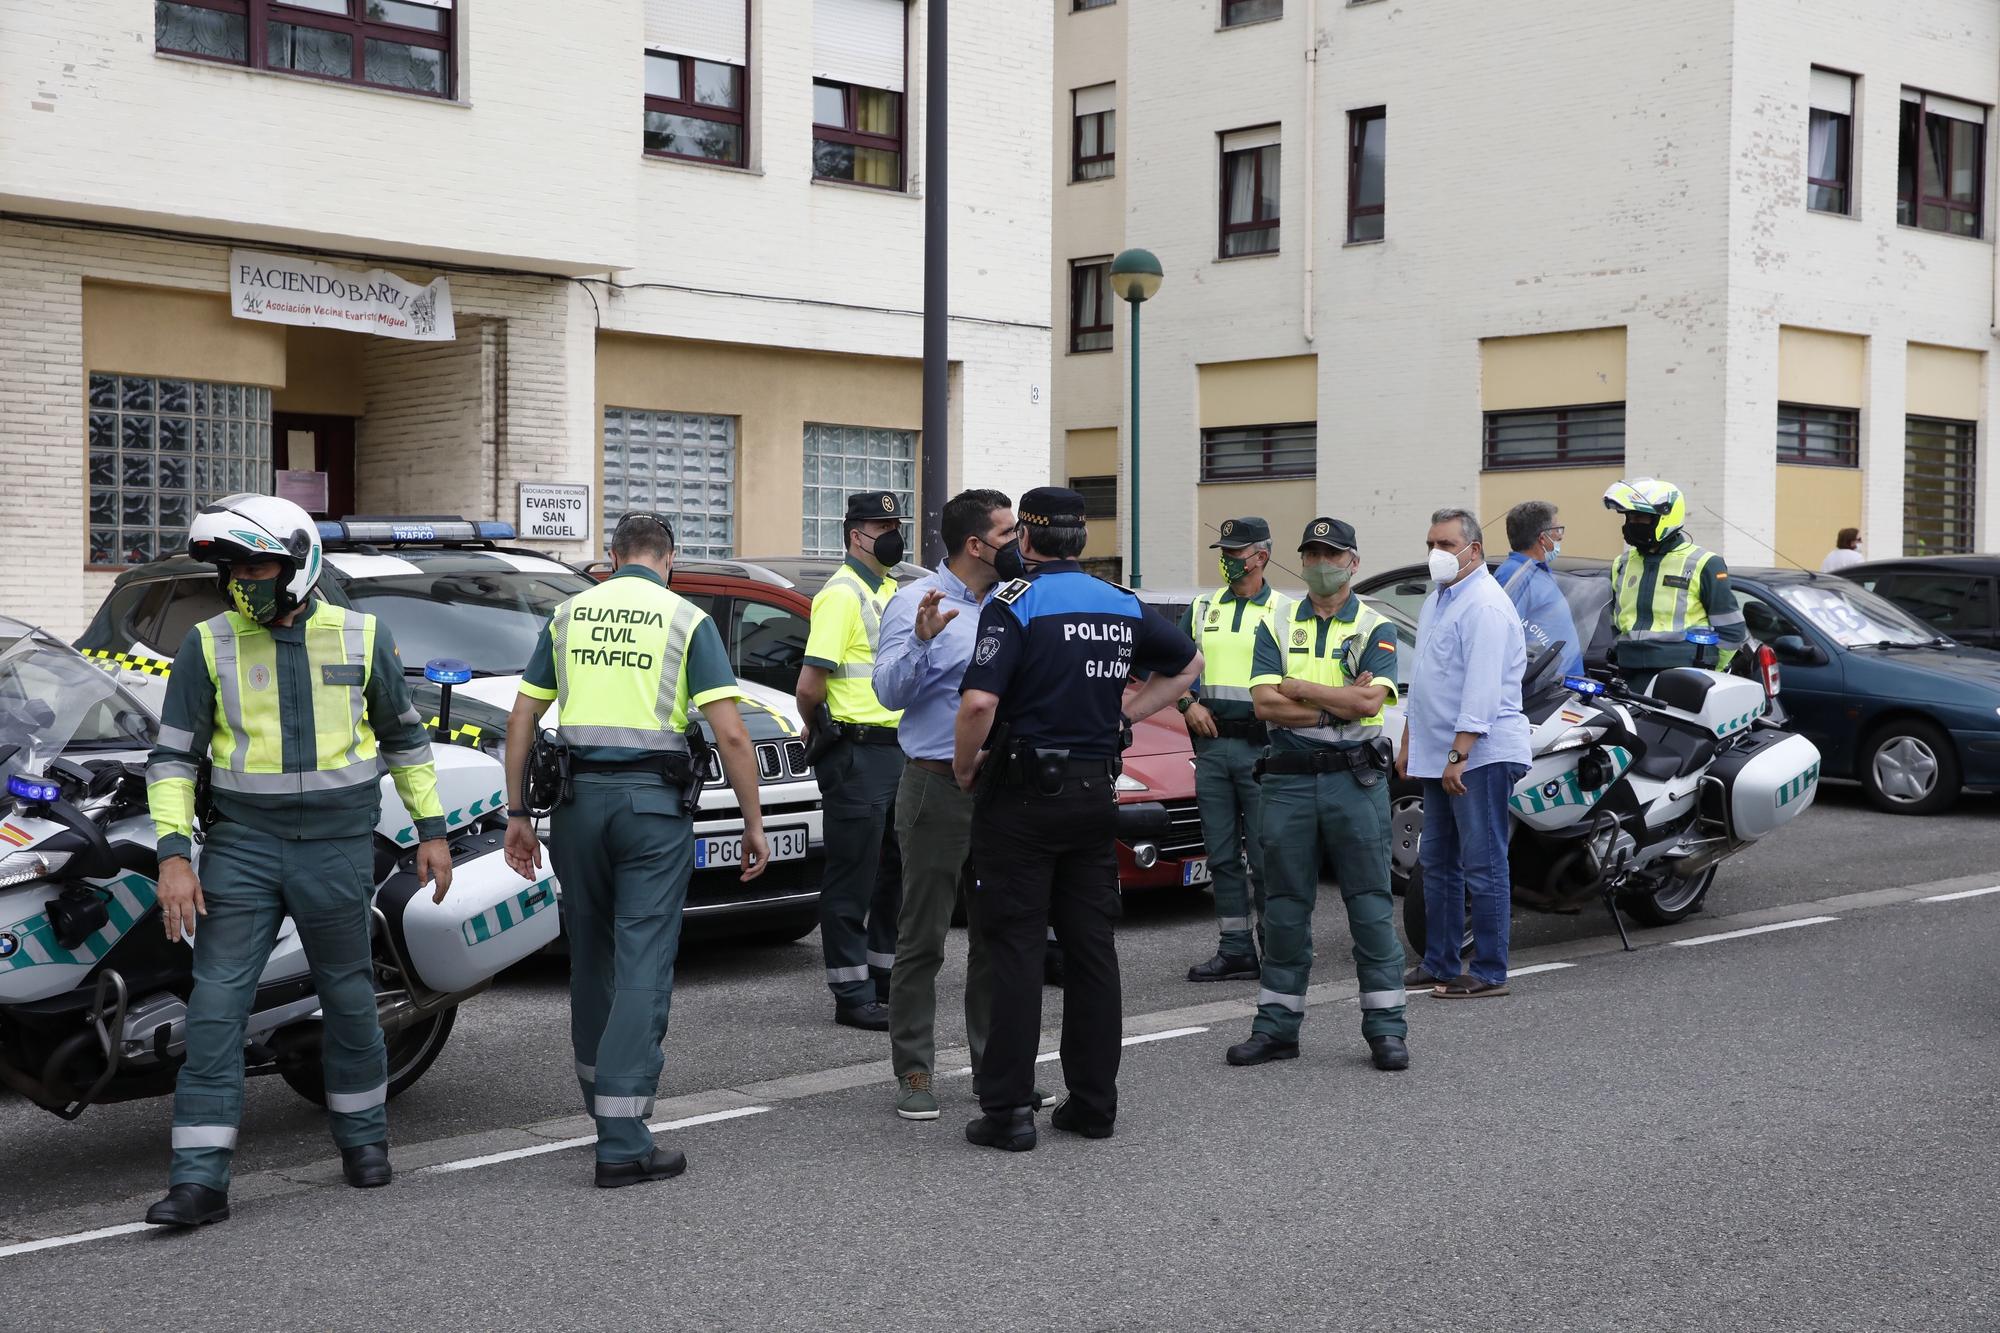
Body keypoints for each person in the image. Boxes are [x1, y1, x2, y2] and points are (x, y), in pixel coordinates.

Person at [143, 494, 454, 1228]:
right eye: (232, 569)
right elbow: (172, 758)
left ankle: (364, 1141)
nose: (241, 580)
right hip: (242, 848)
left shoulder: (360, 634)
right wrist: (173, 855)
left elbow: (405, 740)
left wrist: (431, 828)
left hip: (338, 848)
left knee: (349, 999)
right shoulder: (208, 643)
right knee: (216, 1009)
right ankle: (199, 1182)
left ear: (298, 562)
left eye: (255, 565)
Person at [503, 512, 768, 1188]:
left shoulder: (570, 616)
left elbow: (523, 717)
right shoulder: (685, 619)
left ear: (612, 556)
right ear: (668, 558)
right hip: (650, 810)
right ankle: (622, 1139)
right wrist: (752, 820)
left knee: (592, 951)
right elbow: (733, 736)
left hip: (575, 806)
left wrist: (517, 814)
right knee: (643, 954)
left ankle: (600, 1101)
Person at [953, 487, 1201, 1151]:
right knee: (1092, 952)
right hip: (1097, 796)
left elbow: (979, 701)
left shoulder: (1016, 601)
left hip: (1021, 799)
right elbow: (1188, 665)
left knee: (1015, 948)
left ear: (1026, 540)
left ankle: (1006, 1111)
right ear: (1081, 539)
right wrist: (1125, 715)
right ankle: (1093, 1103)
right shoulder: (1120, 603)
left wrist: (963, 764)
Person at [873, 488, 1049, 1121]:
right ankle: (915, 1072)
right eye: (1008, 534)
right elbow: (888, 693)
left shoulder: (1014, 602)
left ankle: (993, 1068)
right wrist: (921, 642)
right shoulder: (915, 602)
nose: (1020, 544)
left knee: (997, 936)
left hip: (1000, 788)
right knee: (923, 935)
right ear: (976, 545)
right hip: (936, 785)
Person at [1226, 517, 1409, 1072]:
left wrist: (1301, 687)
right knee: (1282, 907)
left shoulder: (1376, 626)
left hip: (1354, 782)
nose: (1320, 563)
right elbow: (1262, 704)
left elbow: (1371, 704)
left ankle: (1386, 1031)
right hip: (1286, 780)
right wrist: (1339, 700)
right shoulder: (1276, 624)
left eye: (1331, 554)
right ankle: (1277, 1029)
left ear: (1353, 562)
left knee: (1371, 907)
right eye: (1311, 554)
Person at [1399, 508, 1533, 999]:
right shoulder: (1442, 598)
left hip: (1479, 752)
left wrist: (1459, 756)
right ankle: (1440, 961)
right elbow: (1427, 680)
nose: (1436, 553)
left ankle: (1491, 971)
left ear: (1474, 550)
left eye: (1446, 544)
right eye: (1431, 543)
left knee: (1483, 862)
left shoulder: (1485, 605)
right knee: (1436, 861)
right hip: (1441, 752)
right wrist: (1412, 740)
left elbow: (1481, 691)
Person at [796, 492, 909, 1030]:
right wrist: (815, 724)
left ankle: (884, 976)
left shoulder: (891, 589)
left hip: (897, 750)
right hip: (858, 753)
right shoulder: (840, 594)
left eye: (895, 523)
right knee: (853, 877)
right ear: (853, 535)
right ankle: (851, 991)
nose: (891, 532)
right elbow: (810, 684)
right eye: (880, 525)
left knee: (895, 872)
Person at [1178, 517, 1293, 983]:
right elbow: (1172, 666)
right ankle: (1235, 950)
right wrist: (1187, 704)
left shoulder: (1287, 612)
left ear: (1260, 557)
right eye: (1223, 552)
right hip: (1212, 748)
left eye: (1235, 552)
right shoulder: (1203, 606)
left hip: (1264, 750)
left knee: (1269, 856)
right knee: (1221, 856)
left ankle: (1277, 950)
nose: (1226, 560)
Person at [1604, 477, 1747, 675]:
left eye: (1640, 518)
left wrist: (1710, 669)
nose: (1632, 524)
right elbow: (1613, 621)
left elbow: (1732, 630)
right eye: (1629, 518)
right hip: (1629, 670)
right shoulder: (1621, 563)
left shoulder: (1704, 563)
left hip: (1683, 671)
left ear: (1665, 517)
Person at [1497, 500, 1584, 682]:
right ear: (1543, 538)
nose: (1560, 536)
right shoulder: (1515, 574)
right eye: (1556, 529)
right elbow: (1504, 637)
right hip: (1544, 687)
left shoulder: (1535, 570)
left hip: (1563, 683)